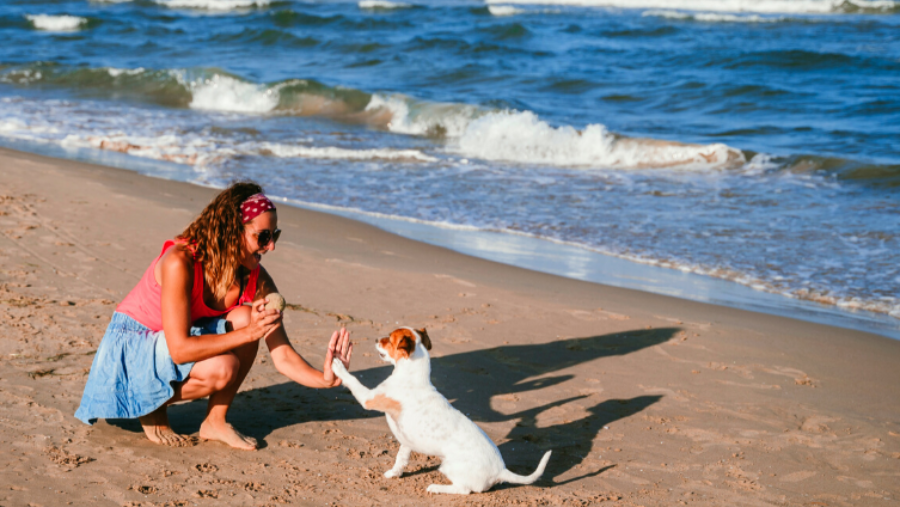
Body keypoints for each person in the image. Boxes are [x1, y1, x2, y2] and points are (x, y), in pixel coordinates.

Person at [75, 182, 352, 450]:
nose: (271, 247)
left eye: (274, 236)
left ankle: (215, 421)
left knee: (246, 318)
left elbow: (282, 355)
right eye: (263, 237)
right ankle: (150, 404)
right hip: (131, 350)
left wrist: (325, 378)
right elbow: (181, 350)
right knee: (226, 365)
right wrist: (248, 333)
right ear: (233, 231)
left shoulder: (255, 277)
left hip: (173, 347)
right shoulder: (180, 262)